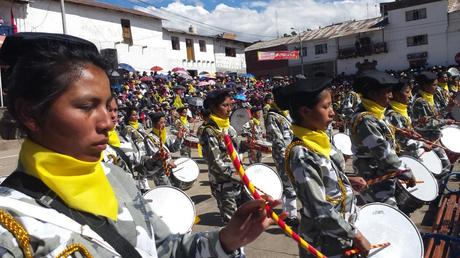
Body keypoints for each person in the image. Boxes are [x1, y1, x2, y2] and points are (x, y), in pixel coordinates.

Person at [0, 32, 278, 258]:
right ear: (30, 114)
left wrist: (226, 240)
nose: (107, 123)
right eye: (87, 106)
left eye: (109, 107)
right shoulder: (10, 225)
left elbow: (165, 249)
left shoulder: (116, 178)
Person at [281, 78, 371, 257]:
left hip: (341, 231)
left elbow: (326, 171)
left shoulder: (317, 138)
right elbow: (318, 208)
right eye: (326, 107)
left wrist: (347, 180)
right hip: (324, 240)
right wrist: (356, 236)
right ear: (306, 112)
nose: (332, 113)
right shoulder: (301, 153)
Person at [350, 68, 416, 207]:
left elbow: (383, 135)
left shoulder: (374, 113)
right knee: (389, 219)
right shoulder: (366, 120)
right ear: (373, 94)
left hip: (384, 175)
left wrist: (399, 132)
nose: (391, 96)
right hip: (373, 177)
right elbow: (384, 153)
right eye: (387, 92)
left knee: (403, 207)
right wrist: (406, 171)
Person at [198, 89, 248, 224]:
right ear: (213, 107)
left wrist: (246, 145)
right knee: (232, 224)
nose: (229, 109)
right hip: (224, 183)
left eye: (230, 105)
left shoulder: (228, 126)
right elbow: (216, 163)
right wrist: (238, 177)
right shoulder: (209, 130)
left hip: (238, 178)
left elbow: (235, 149)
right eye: (225, 105)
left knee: (245, 218)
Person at [265, 88, 299, 227]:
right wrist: (287, 156)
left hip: (291, 152)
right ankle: (290, 215)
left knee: (292, 183)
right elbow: (277, 141)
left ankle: (291, 212)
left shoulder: (285, 114)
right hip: (283, 156)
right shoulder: (272, 115)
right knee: (288, 184)